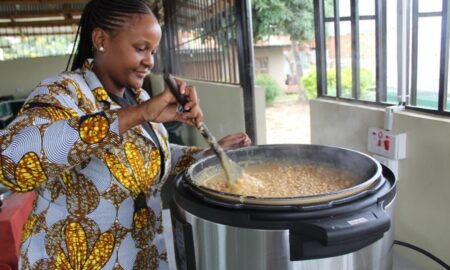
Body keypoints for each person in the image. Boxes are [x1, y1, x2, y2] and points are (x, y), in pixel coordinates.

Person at [0, 0, 251, 269]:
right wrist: (139, 114)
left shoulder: (137, 96)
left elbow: (148, 159)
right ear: (101, 40)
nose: (149, 61)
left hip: (141, 258)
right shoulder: (63, 92)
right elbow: (10, 163)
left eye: (153, 51)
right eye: (141, 48)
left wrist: (205, 156)